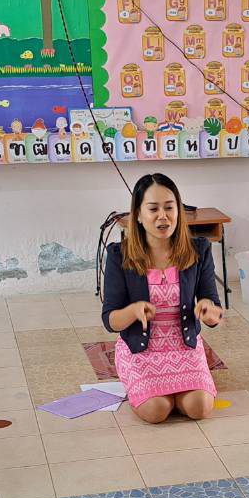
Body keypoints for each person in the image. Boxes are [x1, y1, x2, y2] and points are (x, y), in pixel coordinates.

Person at [101, 173, 224, 424]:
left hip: (184, 348)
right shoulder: (119, 255)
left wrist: (209, 311)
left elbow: (213, 308)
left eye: (169, 208)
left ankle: (177, 393)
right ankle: (149, 387)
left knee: (199, 408)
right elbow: (110, 320)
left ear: (179, 211)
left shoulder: (199, 249)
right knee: (156, 411)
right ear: (138, 214)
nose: (163, 216)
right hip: (141, 350)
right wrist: (133, 311)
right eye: (153, 209)